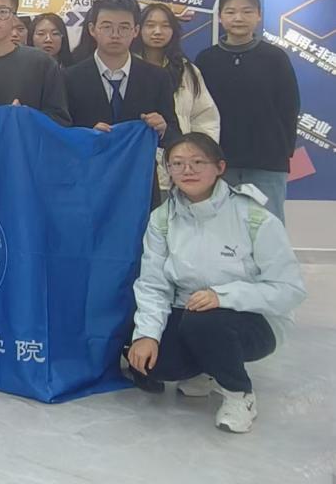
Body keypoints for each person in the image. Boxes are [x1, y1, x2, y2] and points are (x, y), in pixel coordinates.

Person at [127, 133, 306, 433]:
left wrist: (222, 296)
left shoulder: (254, 216)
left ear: (220, 167)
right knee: (155, 360)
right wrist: (146, 335)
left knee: (205, 323)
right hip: (192, 314)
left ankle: (239, 394)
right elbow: (153, 284)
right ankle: (206, 368)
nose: (187, 170)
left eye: (198, 162)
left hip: (254, 320)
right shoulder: (162, 219)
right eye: (177, 163)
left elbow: (290, 289)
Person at [195, 0, 299, 222]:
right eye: (230, 12)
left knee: (267, 227)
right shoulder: (206, 59)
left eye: (247, 12)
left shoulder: (275, 58)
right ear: (220, 17)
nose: (238, 18)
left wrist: (283, 151)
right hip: (218, 161)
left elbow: (289, 108)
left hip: (267, 162)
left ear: (258, 16)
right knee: (219, 226)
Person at [64, 0, 178, 206]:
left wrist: (162, 129)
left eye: (124, 27)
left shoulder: (157, 77)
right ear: (92, 29)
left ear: (135, 31)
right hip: (87, 183)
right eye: (107, 27)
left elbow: (174, 135)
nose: (115, 34)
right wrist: (86, 135)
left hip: (139, 184)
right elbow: (61, 134)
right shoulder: (69, 78)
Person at [134, 3, 221, 193]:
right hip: (134, 169)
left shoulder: (187, 71)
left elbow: (205, 116)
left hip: (180, 170)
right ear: (137, 29)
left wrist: (196, 156)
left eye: (165, 25)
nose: (158, 31)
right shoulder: (126, 67)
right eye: (150, 25)